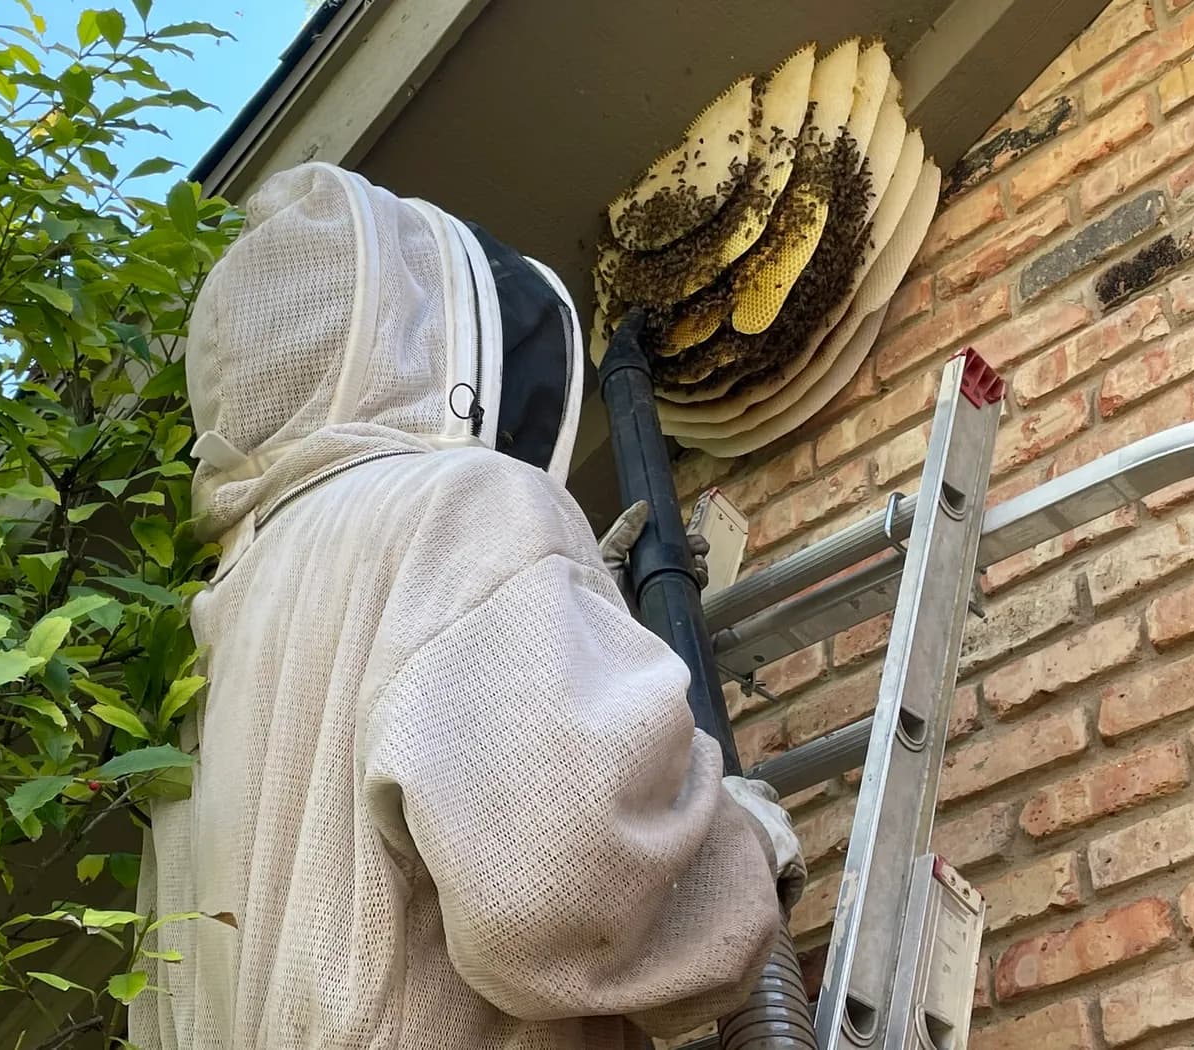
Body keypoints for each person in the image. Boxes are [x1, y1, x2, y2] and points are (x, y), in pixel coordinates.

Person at [132, 162, 804, 1050]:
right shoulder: (457, 508)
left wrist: (552, 605)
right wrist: (745, 843)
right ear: (426, 334)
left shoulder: (208, 647)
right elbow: (562, 893)